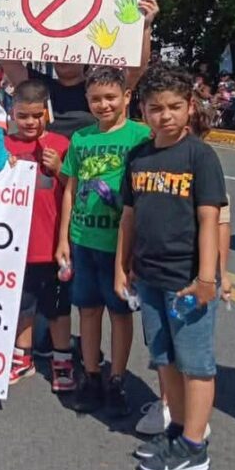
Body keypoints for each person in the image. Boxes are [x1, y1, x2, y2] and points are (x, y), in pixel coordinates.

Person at [117, 63, 226, 470]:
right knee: (164, 359)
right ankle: (178, 430)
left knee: (195, 364)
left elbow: (208, 221)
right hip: (148, 277)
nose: (165, 115)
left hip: (187, 282)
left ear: (190, 107)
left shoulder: (200, 155)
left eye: (174, 107)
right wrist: (122, 268)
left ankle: (195, 447)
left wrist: (206, 279)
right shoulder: (138, 156)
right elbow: (129, 217)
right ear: (142, 110)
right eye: (156, 108)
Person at [56, 66, 152, 417]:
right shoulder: (81, 139)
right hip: (83, 239)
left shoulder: (140, 136)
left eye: (111, 97)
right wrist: (64, 238)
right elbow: (69, 187)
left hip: (120, 244)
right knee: (88, 309)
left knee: (119, 312)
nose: (103, 105)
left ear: (127, 97)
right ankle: (92, 375)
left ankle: (116, 379)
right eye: (95, 99)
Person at [0, 0, 158, 138]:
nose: (64, 57)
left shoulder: (101, 89)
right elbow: (9, 62)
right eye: (59, 51)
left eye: (72, 49)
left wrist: (144, 27)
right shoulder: (39, 87)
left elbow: (137, 69)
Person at [2, 82, 71, 391]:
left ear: (47, 112)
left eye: (35, 115)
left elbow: (76, 188)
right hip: (18, 247)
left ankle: (62, 360)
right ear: (12, 113)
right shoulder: (4, 145)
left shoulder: (61, 143)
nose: (29, 122)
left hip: (54, 244)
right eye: (22, 116)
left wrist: (60, 168)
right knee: (23, 306)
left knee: (57, 309)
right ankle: (22, 358)